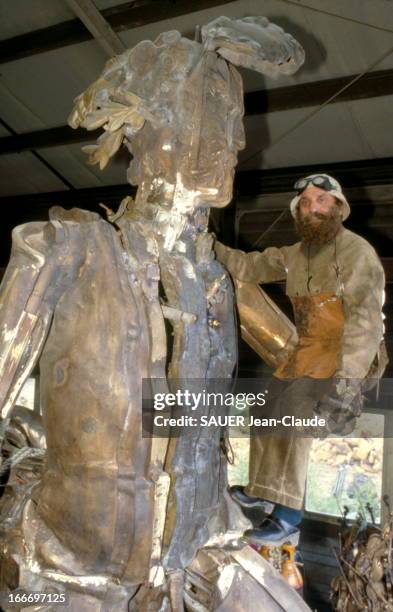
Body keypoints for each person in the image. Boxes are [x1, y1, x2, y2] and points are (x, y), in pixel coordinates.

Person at [215, 173, 386, 545]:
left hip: (349, 350)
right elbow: (246, 267)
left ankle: (288, 517)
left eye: (322, 201)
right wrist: (207, 245)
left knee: (294, 409)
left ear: (338, 207)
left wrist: (346, 384)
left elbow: (366, 324)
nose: (313, 209)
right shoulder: (294, 255)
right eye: (306, 204)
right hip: (309, 347)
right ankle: (264, 488)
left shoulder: (357, 253)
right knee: (265, 406)